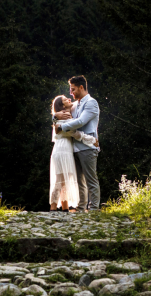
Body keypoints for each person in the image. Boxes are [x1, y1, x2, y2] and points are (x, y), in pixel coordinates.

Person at [54, 75, 101, 212]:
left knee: (91, 180)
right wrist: (54, 117)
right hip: (75, 147)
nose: (71, 93)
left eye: (73, 89)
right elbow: (60, 111)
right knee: (80, 181)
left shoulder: (91, 103)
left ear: (81, 87)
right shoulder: (76, 104)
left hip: (87, 147)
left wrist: (62, 127)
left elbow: (81, 122)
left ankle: (94, 209)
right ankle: (81, 208)